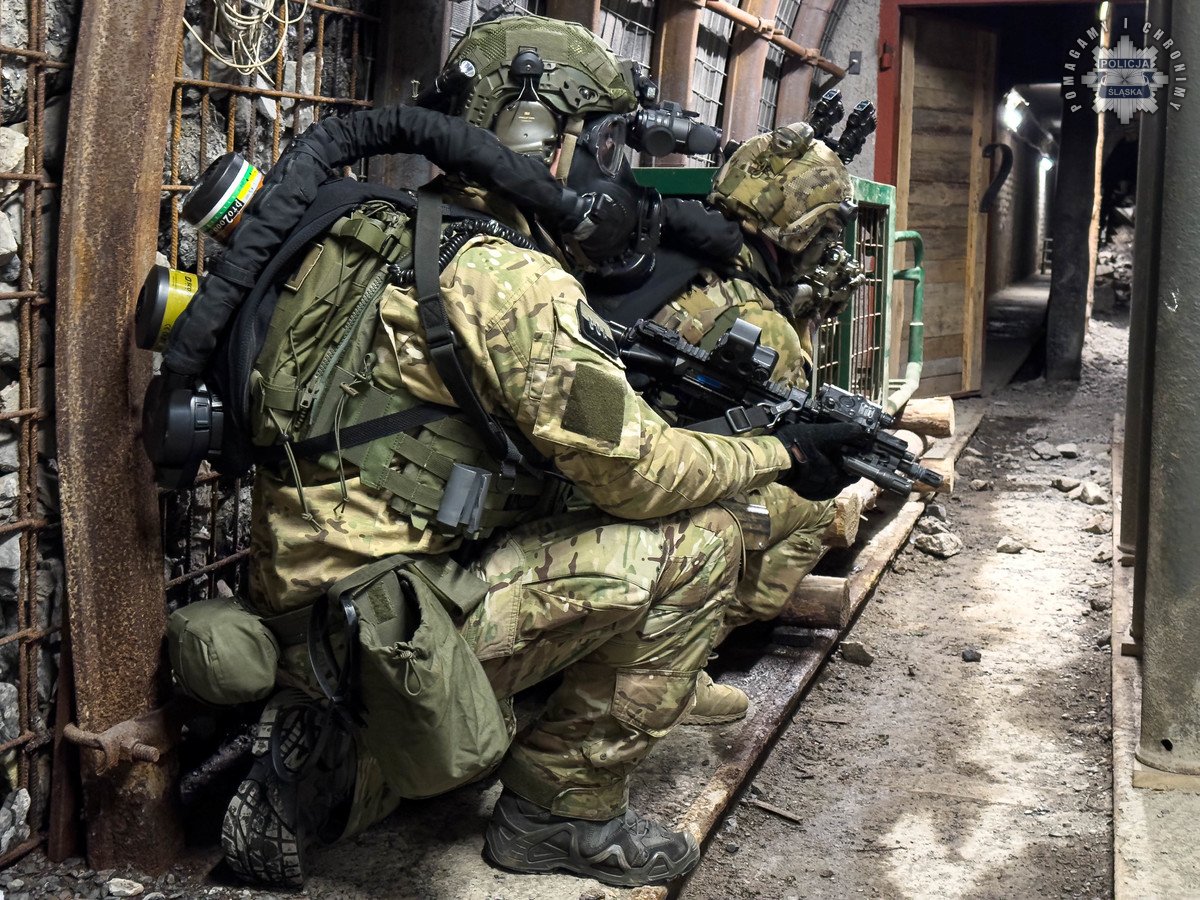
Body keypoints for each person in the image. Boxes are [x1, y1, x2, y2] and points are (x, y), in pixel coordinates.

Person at [221, 12, 860, 889]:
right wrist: (779, 452)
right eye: (598, 141)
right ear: (537, 135)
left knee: (556, 512)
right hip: (398, 618)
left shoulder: (358, 225)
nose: (604, 167)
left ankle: (332, 762)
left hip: (302, 598)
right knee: (701, 541)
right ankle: (561, 812)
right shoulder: (509, 278)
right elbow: (643, 474)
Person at [643, 122, 866, 724]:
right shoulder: (761, 324)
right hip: (666, 497)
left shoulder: (665, 251)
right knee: (814, 503)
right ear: (801, 231)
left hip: (609, 468)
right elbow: (788, 430)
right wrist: (802, 327)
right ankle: (672, 661)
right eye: (824, 232)